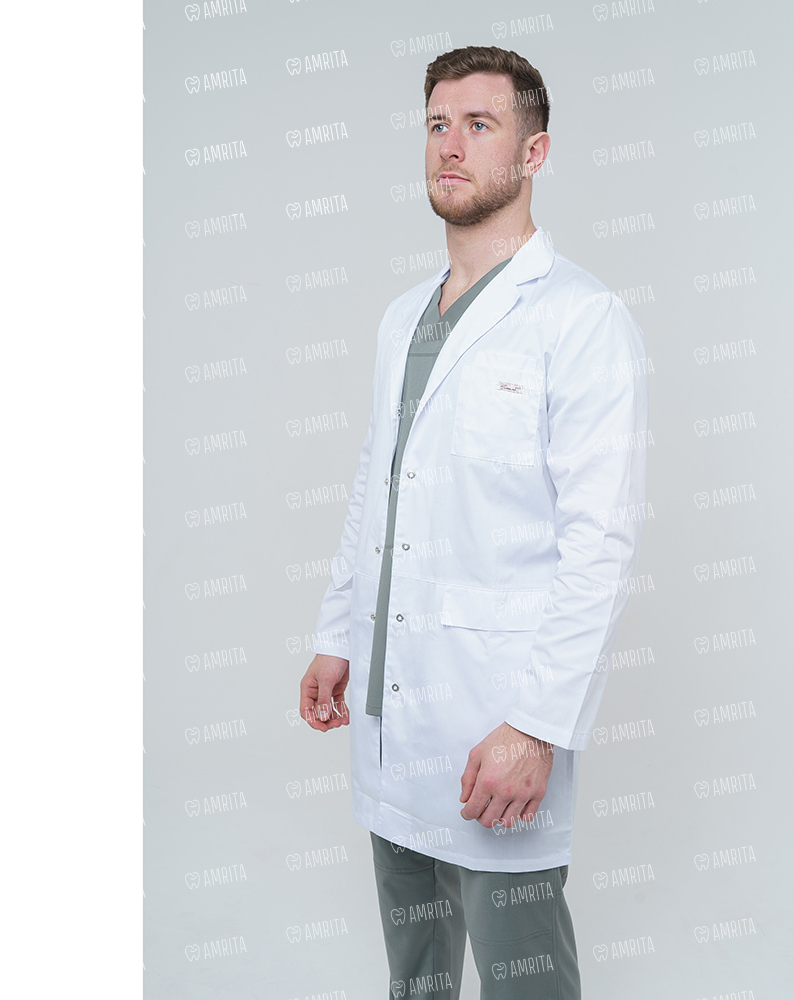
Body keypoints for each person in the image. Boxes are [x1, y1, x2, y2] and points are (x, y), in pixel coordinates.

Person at [299, 45, 647, 1000]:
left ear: (535, 153)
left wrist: (534, 728)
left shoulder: (581, 319)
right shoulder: (400, 319)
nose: (449, 146)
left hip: (496, 721)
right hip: (392, 711)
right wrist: (338, 635)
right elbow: (377, 484)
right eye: (437, 125)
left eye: (479, 125)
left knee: (523, 978)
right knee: (416, 978)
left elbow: (602, 545)